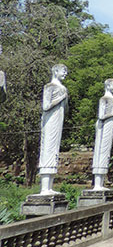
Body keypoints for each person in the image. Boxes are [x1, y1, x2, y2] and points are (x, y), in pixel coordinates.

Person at [38, 64, 68, 195]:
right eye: (63, 71)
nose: (65, 74)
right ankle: (44, 188)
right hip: (50, 122)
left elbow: (65, 109)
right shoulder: (49, 87)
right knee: (48, 149)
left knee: (54, 150)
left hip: (58, 121)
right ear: (56, 71)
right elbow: (46, 106)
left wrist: (64, 97)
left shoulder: (63, 88)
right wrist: (61, 97)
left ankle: (50, 186)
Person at [91, 79, 113, 190]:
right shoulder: (104, 99)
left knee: (106, 152)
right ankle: (97, 184)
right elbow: (101, 115)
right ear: (107, 85)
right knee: (101, 151)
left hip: (111, 126)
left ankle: (101, 183)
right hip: (103, 127)